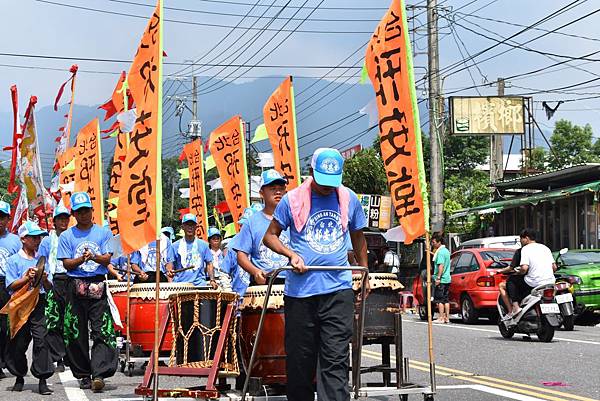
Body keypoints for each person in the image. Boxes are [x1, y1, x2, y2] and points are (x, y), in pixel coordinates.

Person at [263, 148, 368, 401]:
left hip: (337, 291)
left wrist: (365, 273)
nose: (327, 188)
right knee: (301, 362)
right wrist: (291, 255)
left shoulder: (348, 198)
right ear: (311, 173)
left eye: (332, 182)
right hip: (301, 294)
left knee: (335, 361)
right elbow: (270, 236)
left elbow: (358, 236)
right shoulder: (292, 200)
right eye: (322, 182)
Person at [57, 192, 117, 392]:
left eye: (86, 210)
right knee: (76, 331)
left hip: (98, 284)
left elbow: (107, 259)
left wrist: (94, 257)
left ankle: (99, 373)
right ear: (74, 213)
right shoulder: (66, 236)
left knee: (102, 329)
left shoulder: (103, 233)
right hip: (75, 286)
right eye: (79, 211)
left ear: (92, 211)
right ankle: (83, 374)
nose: (83, 214)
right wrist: (82, 260)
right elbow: (67, 264)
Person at [4, 220, 54, 394]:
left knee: (41, 340)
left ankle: (42, 379)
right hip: (20, 305)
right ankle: (19, 375)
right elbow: (11, 285)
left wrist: (45, 278)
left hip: (38, 303)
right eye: (33, 237)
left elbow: (48, 287)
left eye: (39, 237)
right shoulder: (13, 261)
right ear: (23, 239)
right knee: (19, 343)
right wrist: (26, 278)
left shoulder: (42, 259)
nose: (37, 240)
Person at [235, 169, 291, 285]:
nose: (278, 192)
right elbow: (241, 255)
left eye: (281, 189)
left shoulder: (293, 219)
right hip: (263, 281)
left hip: (290, 279)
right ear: (261, 193)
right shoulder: (252, 222)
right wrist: (255, 271)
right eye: (272, 189)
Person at [39, 204, 71, 372]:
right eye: (60, 218)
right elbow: (42, 262)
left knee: (70, 320)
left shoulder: (73, 236)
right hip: (53, 281)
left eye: (66, 218)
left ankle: (70, 356)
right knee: (54, 320)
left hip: (71, 280)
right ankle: (57, 357)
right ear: (55, 221)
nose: (63, 221)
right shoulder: (47, 240)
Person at [499, 229, 556, 319]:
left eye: (521, 239)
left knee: (511, 280)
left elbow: (524, 268)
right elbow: (554, 268)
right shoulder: (545, 248)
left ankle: (515, 308)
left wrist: (519, 272)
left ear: (526, 238)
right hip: (550, 282)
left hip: (534, 283)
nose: (521, 241)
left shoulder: (525, 249)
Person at [0, 200, 22, 379]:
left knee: (7, 326)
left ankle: (7, 359)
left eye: (2, 217)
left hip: (8, 286)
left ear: (8, 219)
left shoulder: (15, 240)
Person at [172, 214, 216, 289]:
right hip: (180, 285)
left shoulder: (204, 245)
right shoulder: (175, 246)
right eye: (187, 225)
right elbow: (170, 266)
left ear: (196, 227)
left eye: (192, 225)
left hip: (199, 285)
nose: (190, 227)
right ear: (182, 227)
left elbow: (209, 263)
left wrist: (212, 280)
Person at [431, 233, 451, 324]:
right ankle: (447, 317)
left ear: (439, 242)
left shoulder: (440, 253)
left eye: (434, 242)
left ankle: (441, 317)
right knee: (446, 300)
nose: (433, 244)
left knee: (440, 300)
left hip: (441, 279)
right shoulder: (446, 251)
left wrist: (438, 278)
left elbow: (441, 265)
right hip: (447, 278)